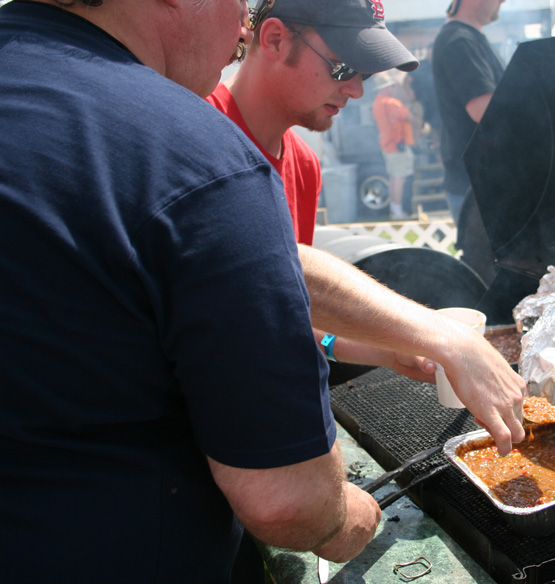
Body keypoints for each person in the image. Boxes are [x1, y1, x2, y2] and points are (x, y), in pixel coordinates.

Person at [0, 2, 519, 584]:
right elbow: (287, 501)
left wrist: (387, 341)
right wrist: (343, 515)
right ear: (274, 39)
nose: (241, 26)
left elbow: (259, 297)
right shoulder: (200, 146)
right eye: (344, 67)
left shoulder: (287, 165)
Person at [206, 0, 525, 450]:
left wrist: (381, 350)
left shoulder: (305, 165)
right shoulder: (197, 134)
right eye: (343, 67)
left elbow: (279, 307)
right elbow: (269, 265)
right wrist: (444, 337)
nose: (356, 90)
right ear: (275, 39)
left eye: (366, 74)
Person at [432, 0, 507, 226]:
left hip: (483, 182)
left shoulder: (468, 38)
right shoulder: (460, 41)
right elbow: (484, 111)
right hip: (477, 186)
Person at [372, 71, 418, 219]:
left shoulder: (376, 103)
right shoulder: (391, 103)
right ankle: (397, 212)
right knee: (399, 178)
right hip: (398, 146)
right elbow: (409, 117)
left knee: (393, 178)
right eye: (390, 86)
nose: (392, 88)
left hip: (387, 145)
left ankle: (395, 209)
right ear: (385, 88)